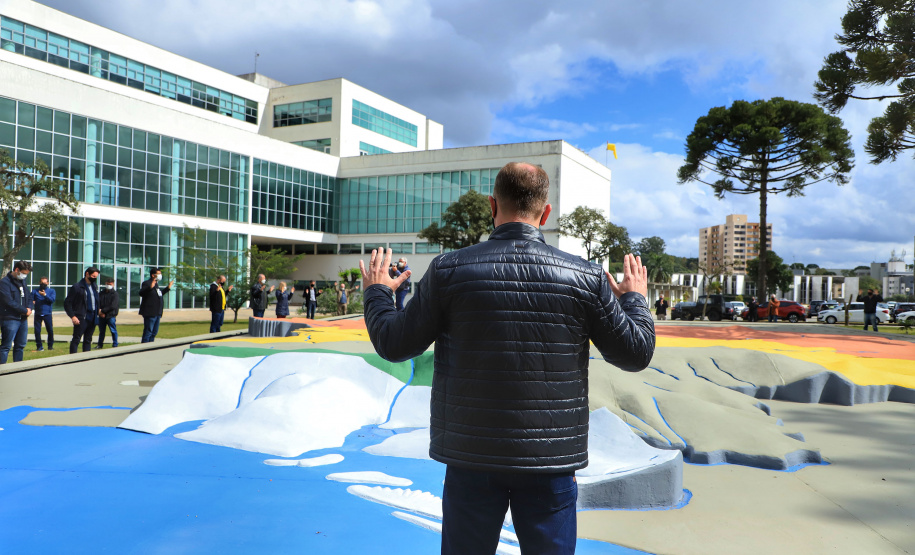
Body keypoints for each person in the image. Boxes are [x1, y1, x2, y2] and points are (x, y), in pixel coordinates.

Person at [360, 162, 655, 555]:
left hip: (471, 457)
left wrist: (378, 291)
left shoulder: (449, 270)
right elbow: (636, 352)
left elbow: (394, 344)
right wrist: (634, 297)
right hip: (551, 460)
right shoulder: (585, 276)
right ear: (545, 213)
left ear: (492, 205)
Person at [0, 261, 34, 364]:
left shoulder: (22, 281)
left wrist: (29, 308)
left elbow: (28, 296)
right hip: (10, 318)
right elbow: (8, 301)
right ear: (17, 270)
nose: (25, 276)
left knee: (20, 345)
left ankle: (18, 368)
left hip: (23, 319)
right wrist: (24, 310)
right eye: (23, 273)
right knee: (6, 346)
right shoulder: (4, 283)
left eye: (26, 274)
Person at [64, 267, 100, 354]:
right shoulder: (77, 287)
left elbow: (96, 300)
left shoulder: (94, 286)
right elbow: (67, 303)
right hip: (82, 316)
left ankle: (86, 358)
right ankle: (73, 357)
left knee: (88, 339)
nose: (94, 278)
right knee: (77, 338)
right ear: (87, 274)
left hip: (93, 316)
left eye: (96, 277)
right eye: (93, 276)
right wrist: (73, 316)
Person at [138, 267, 173, 343]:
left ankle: (151, 345)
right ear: (153, 275)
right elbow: (141, 293)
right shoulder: (147, 283)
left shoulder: (156, 285)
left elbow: (159, 294)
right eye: (158, 274)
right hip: (150, 312)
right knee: (148, 331)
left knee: (154, 332)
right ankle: (144, 346)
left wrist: (167, 288)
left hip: (157, 312)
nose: (160, 275)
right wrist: (150, 287)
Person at [31, 275, 55, 351]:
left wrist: (45, 295)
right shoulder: (35, 291)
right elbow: (31, 300)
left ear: (47, 283)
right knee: (37, 331)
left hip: (47, 313)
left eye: (44, 283)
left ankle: (50, 346)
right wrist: (32, 302)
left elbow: (52, 300)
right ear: (39, 283)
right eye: (41, 283)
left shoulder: (51, 291)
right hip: (38, 313)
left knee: (50, 330)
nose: (43, 284)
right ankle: (39, 346)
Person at [97, 277, 119, 349]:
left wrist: (103, 311)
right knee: (101, 331)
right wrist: (99, 311)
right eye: (107, 284)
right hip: (101, 316)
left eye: (110, 284)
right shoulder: (101, 293)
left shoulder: (114, 294)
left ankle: (115, 344)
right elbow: (98, 302)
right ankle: (100, 344)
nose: (109, 285)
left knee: (113, 330)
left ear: (113, 284)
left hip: (110, 315)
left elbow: (113, 306)